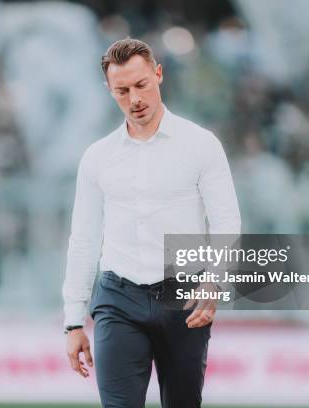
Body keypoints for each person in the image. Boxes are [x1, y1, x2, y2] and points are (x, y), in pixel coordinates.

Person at [62, 38, 241, 408]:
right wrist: (73, 320)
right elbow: (83, 238)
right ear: (110, 91)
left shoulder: (201, 145)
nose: (134, 99)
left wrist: (214, 280)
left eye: (141, 85)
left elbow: (226, 220)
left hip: (183, 297)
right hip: (117, 299)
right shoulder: (98, 158)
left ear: (158, 74)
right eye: (122, 91)